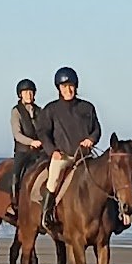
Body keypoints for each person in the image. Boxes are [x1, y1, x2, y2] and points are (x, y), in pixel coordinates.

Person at [36, 67, 101, 229]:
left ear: (76, 86)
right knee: (53, 179)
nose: (68, 89)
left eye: (71, 86)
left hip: (84, 157)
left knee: (103, 177)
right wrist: (53, 152)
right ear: (59, 88)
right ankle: (47, 215)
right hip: (63, 156)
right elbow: (43, 133)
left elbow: (97, 129)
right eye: (64, 86)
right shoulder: (51, 109)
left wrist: (91, 139)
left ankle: (117, 216)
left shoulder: (87, 107)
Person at [9, 78, 43, 214]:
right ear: (20, 94)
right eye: (25, 92)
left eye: (31, 92)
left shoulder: (40, 111)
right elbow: (17, 134)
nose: (29, 95)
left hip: (40, 151)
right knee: (16, 174)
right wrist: (31, 142)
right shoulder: (16, 111)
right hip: (23, 151)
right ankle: (13, 203)